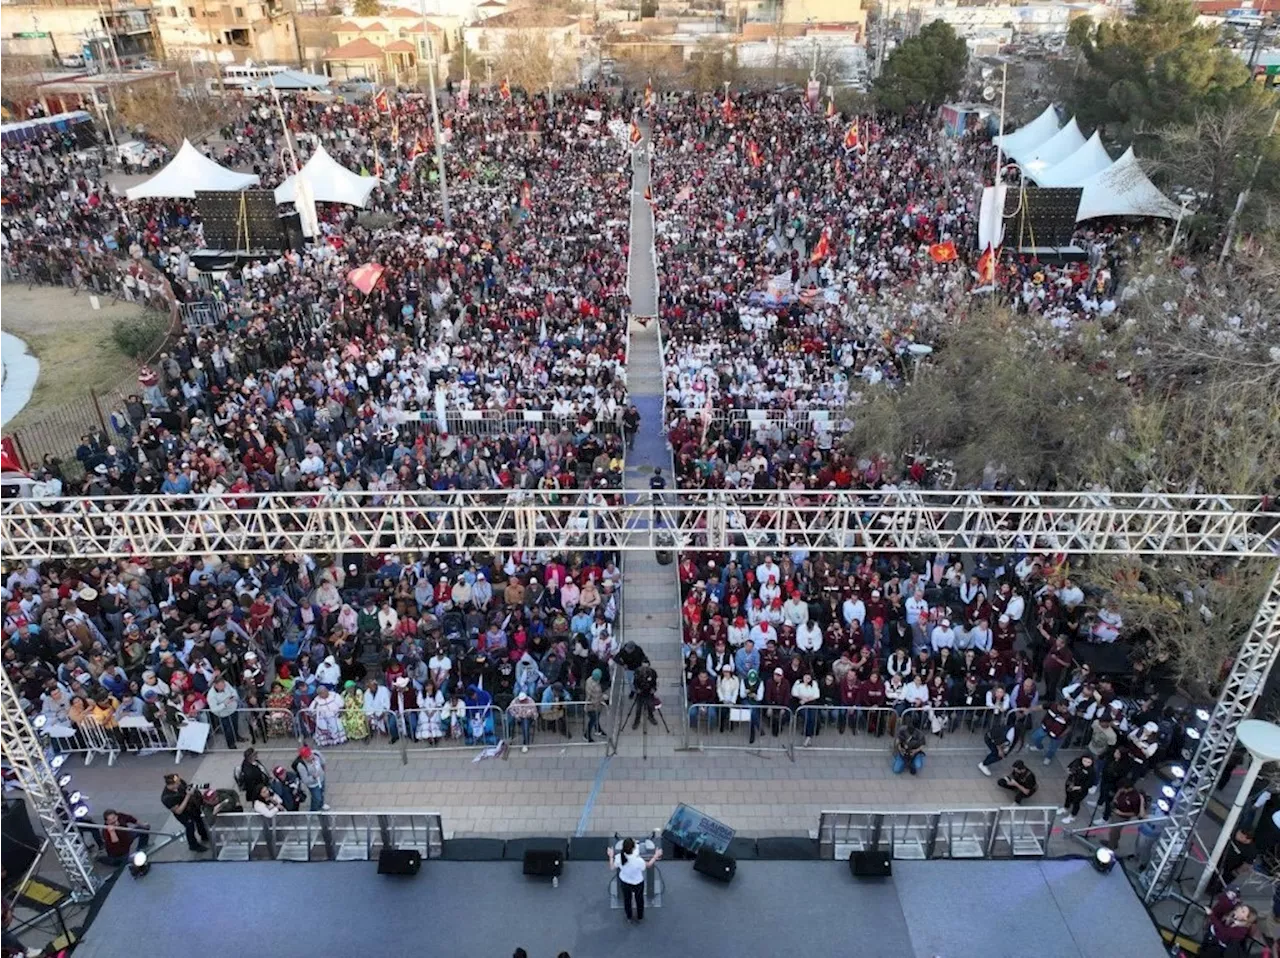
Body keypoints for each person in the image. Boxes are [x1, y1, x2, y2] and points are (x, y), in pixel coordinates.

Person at [607, 837, 662, 924]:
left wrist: (610, 856)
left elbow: (612, 867)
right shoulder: (638, 860)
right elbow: (648, 865)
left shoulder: (619, 857)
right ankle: (640, 916)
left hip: (625, 882)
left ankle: (629, 916)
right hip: (638, 883)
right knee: (639, 900)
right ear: (633, 848)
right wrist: (656, 855)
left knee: (627, 900)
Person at [1200, 890, 1260, 958]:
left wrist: (1211, 915)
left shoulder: (1241, 930)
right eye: (1241, 908)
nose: (1239, 910)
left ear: (1246, 918)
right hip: (1211, 938)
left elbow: (1223, 932)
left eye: (1243, 911)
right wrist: (1228, 897)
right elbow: (1221, 904)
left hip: (1215, 948)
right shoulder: (1233, 917)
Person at [160, 773, 209, 852]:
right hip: (183, 813)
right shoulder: (167, 798)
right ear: (172, 785)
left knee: (199, 819)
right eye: (177, 783)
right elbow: (178, 811)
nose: (180, 783)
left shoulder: (180, 782)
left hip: (191, 806)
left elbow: (186, 787)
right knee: (190, 826)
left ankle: (204, 835)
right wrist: (188, 796)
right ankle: (193, 845)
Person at [1060, 754, 1094, 824]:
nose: (1086, 763)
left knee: (1076, 802)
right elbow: (1068, 767)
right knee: (1068, 797)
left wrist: (1077, 787)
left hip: (1080, 789)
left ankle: (1072, 816)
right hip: (1070, 783)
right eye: (1085, 761)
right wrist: (1070, 771)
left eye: (1089, 762)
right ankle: (1065, 808)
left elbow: (1089, 784)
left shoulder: (1091, 771)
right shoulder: (1077, 761)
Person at [293, 745, 329, 811]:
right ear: (304, 758)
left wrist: (322, 772)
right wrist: (313, 777)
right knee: (317, 798)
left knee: (322, 793)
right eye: (308, 756)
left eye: (310, 754)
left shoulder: (316, 754)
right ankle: (313, 810)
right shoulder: (301, 766)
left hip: (321, 779)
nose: (311, 757)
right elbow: (305, 780)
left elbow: (323, 762)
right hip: (313, 785)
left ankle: (321, 804)